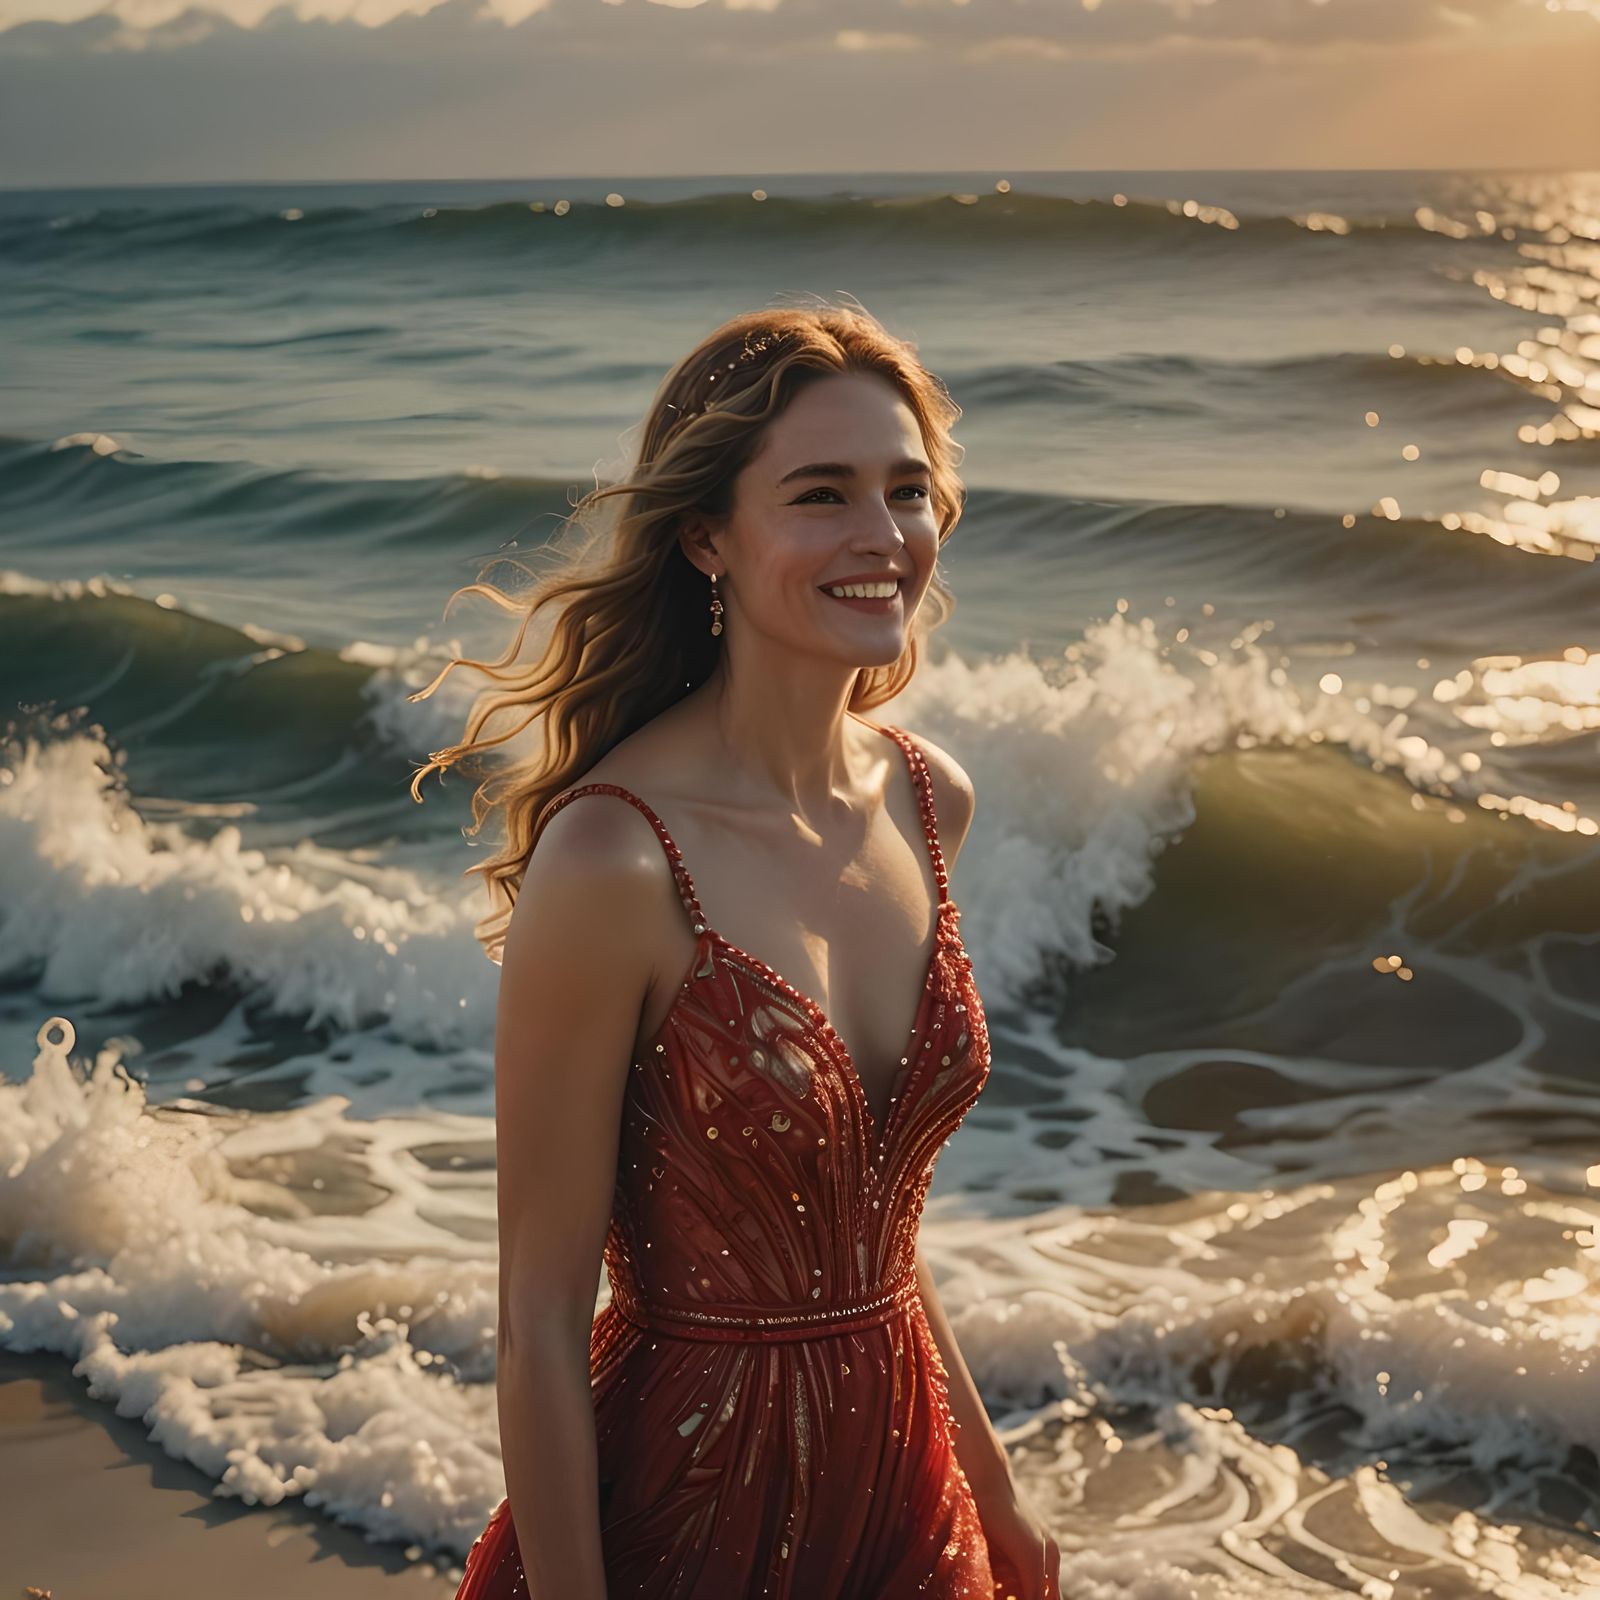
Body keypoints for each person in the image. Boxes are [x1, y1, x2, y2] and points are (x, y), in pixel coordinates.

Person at [410, 301, 1061, 1598]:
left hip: (904, 1496)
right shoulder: (616, 859)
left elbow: (872, 1228)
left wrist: (997, 1492)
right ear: (708, 534)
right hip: (690, 1510)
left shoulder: (933, 804)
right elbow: (537, 1320)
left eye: (907, 491)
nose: (880, 537)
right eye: (821, 495)